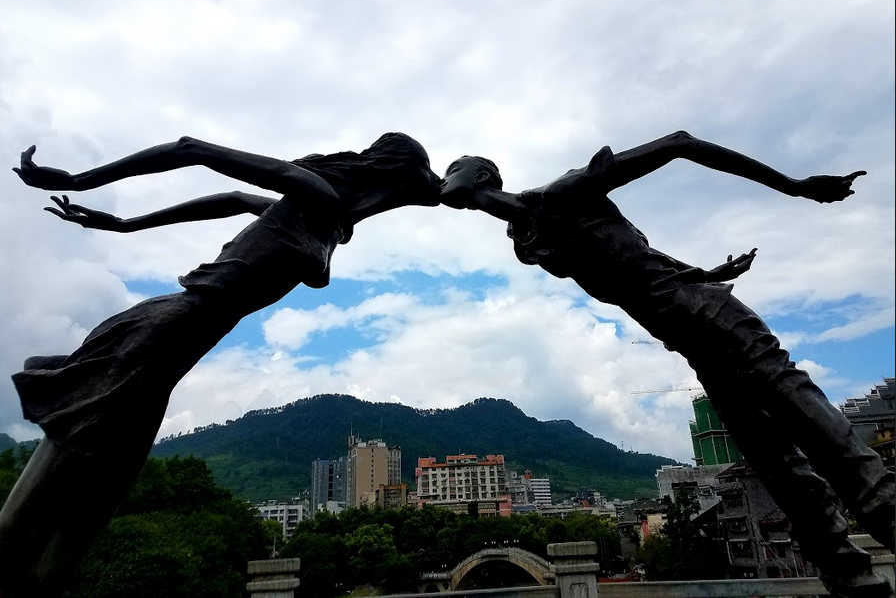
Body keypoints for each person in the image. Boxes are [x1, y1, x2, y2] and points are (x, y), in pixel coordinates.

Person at [440, 130, 895, 598]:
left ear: (484, 175)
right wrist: (710, 272)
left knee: (811, 420)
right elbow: (637, 265)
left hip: (714, 316)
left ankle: (888, 515)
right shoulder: (528, 236)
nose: (445, 175)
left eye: (456, 168)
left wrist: (794, 185)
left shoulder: (564, 193)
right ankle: (851, 579)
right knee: (775, 462)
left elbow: (679, 143)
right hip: (689, 339)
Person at [0, 132, 441, 596]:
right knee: (59, 475)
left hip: (179, 352)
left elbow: (232, 200)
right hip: (166, 331)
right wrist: (82, 182)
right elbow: (192, 149)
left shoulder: (331, 224)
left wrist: (129, 224)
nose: (426, 189)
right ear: (391, 180)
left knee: (100, 499)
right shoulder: (317, 194)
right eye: (416, 181)